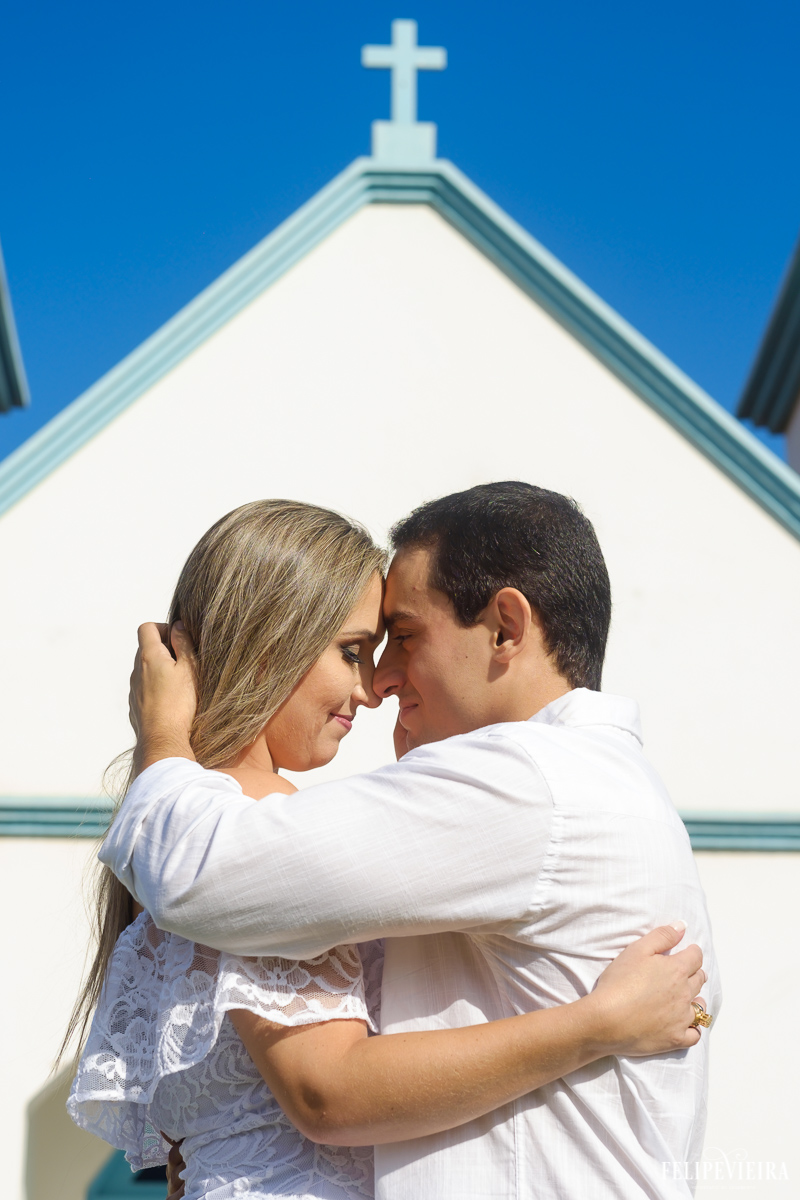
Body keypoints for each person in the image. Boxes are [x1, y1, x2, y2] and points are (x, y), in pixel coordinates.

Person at [101, 483, 719, 1200]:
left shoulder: (528, 779)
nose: (380, 684)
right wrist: (594, 1025)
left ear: (506, 629)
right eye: (356, 651)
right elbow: (313, 1094)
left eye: (404, 638)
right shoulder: (599, 783)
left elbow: (199, 872)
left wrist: (166, 740)